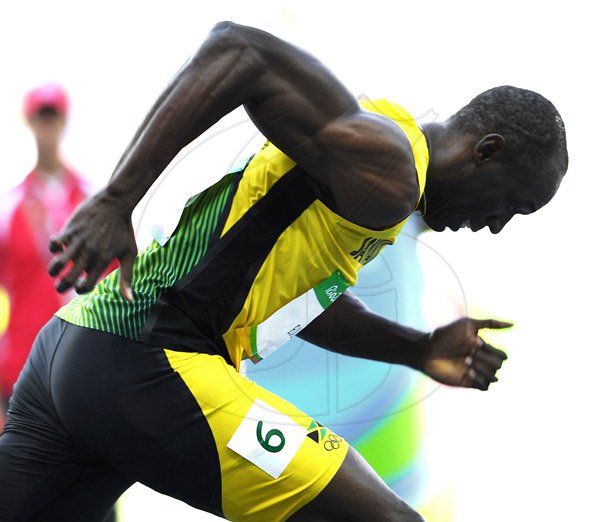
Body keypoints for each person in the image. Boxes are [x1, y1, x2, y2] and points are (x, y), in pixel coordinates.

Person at [0, 21, 568, 522]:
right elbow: (239, 48)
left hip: (77, 347)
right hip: (149, 361)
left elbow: (290, 303)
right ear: (486, 152)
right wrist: (116, 199)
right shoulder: (393, 167)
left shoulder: (381, 177)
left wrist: (417, 349)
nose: (494, 227)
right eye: (510, 207)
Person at [0, 82, 93, 426]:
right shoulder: (8, 210)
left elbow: (119, 283)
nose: (47, 126)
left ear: (63, 121)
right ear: (30, 122)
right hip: (19, 372)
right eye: (41, 117)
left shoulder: (93, 201)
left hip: (82, 368)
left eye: (53, 116)